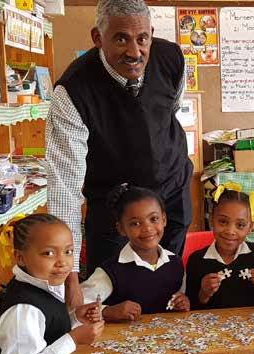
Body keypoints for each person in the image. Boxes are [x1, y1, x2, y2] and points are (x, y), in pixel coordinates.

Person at [46, 0, 192, 308]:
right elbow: (65, 192)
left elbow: (171, 109)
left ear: (151, 34)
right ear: (97, 38)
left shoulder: (171, 59)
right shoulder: (73, 92)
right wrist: (72, 278)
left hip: (171, 190)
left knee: (169, 287)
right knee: (112, 296)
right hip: (114, 205)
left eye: (142, 39)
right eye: (121, 38)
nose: (134, 52)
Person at [0, 214, 105, 354]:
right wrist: (73, 339)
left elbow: (46, 332)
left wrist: (74, 319)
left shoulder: (46, 285)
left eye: (68, 251)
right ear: (20, 258)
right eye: (49, 253)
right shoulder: (23, 310)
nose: (62, 262)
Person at [80, 184, 189, 321]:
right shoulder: (111, 271)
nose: (147, 228)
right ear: (121, 229)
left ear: (164, 219)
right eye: (135, 223)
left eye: (153, 219)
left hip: (170, 338)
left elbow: (181, 297)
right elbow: (78, 304)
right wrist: (108, 311)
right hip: (122, 340)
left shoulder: (176, 263)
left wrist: (183, 302)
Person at [186, 183, 254, 309]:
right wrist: (203, 294)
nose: (230, 231)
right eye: (223, 222)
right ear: (211, 220)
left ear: (250, 228)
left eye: (240, 225)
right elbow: (190, 308)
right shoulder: (196, 260)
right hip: (211, 327)